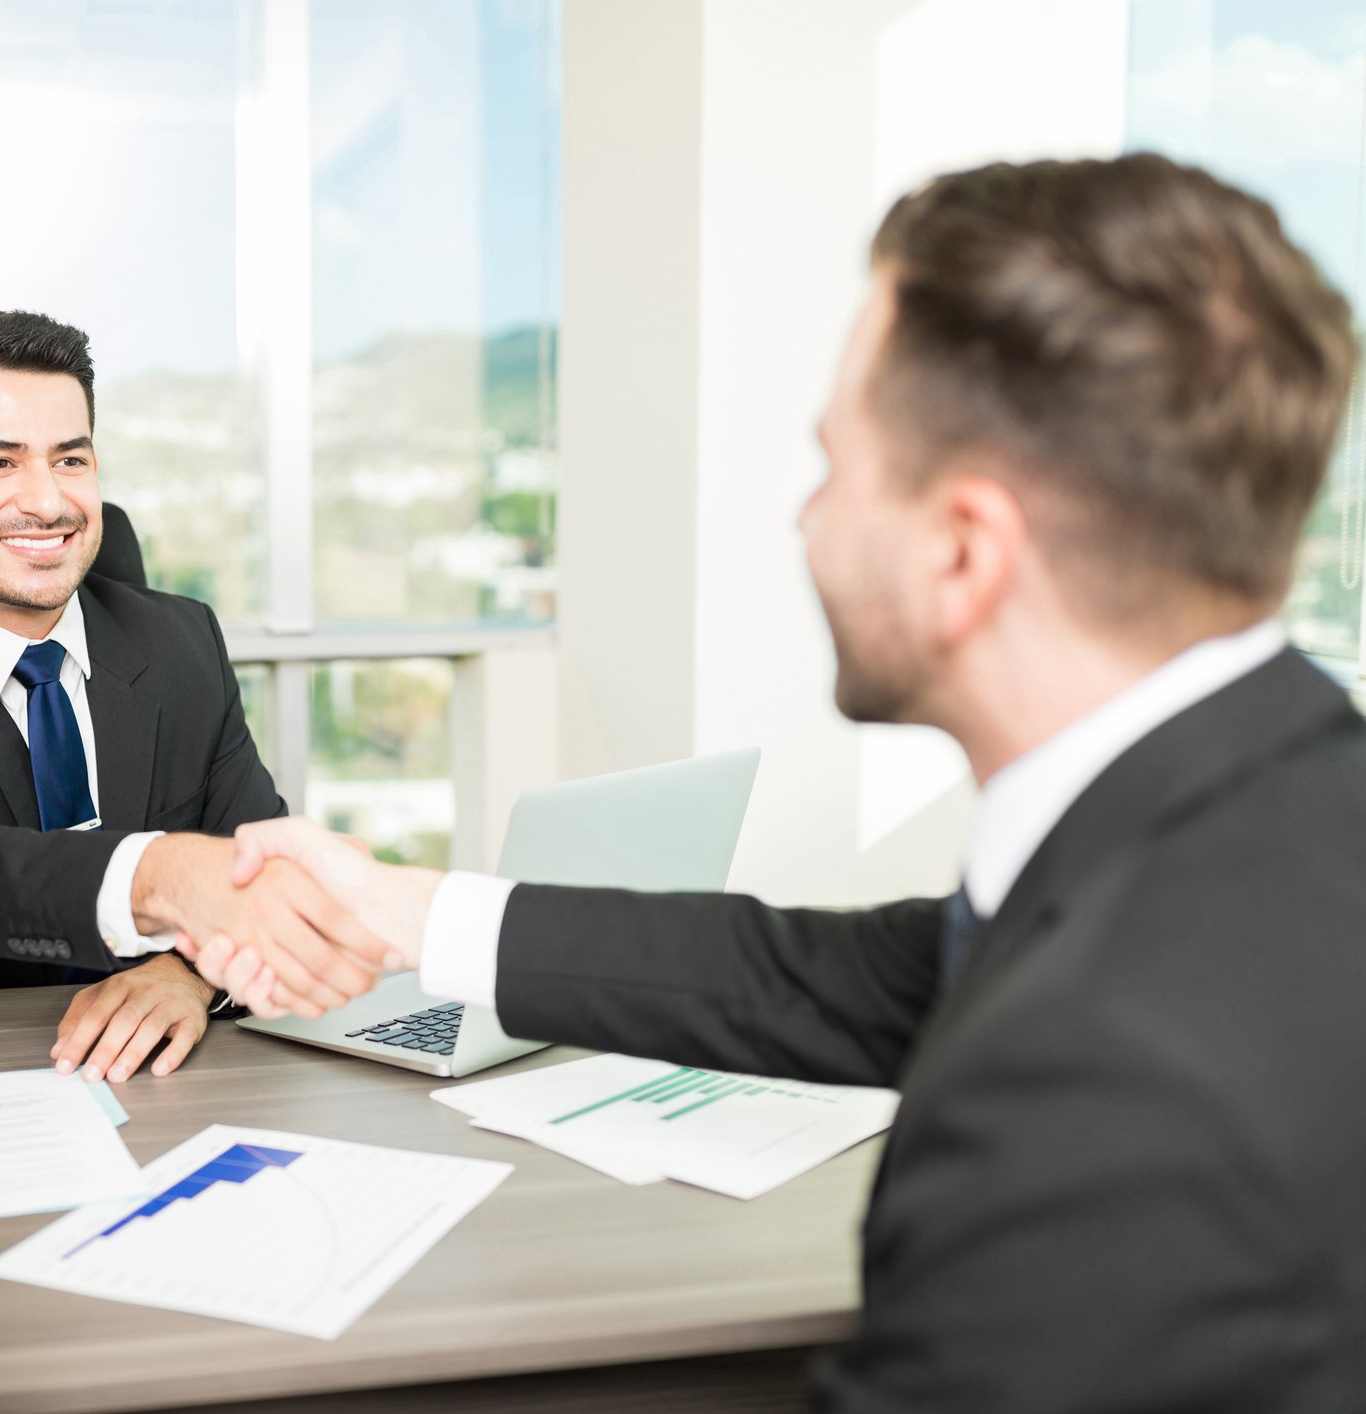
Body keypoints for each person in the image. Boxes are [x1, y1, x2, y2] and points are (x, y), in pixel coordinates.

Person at [182, 155, 1366, 1411]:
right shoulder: (1270, 801)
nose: (807, 522)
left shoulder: (1095, 1081)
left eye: (834, 467)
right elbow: (829, 976)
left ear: (963, 550)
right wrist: (403, 910)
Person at [0, 310, 384, 1084]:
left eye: (71, 459)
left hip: (167, 1078)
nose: (47, 501)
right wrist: (162, 879)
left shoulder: (180, 641)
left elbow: (257, 874)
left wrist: (187, 973)